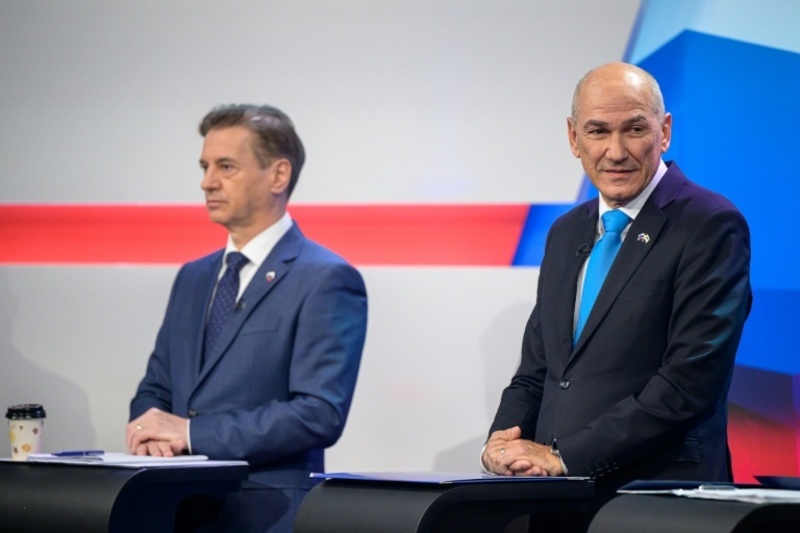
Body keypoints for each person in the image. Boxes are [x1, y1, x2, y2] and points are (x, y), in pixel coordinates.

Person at [482, 62, 751, 527]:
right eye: (598, 131)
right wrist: (503, 441)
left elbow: (689, 383)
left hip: (657, 502)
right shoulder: (566, 232)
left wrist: (565, 456)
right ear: (574, 138)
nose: (616, 151)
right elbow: (539, 371)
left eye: (635, 129)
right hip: (556, 501)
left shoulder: (709, 224)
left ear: (664, 132)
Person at [126, 104, 368, 532]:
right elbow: (156, 387)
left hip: (264, 513)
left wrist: (191, 434)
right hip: (173, 508)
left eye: (226, 167)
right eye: (204, 167)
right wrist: (148, 427)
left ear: (278, 175)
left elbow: (318, 413)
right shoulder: (193, 276)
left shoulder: (325, 278)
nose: (207, 182)